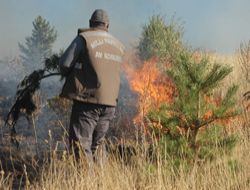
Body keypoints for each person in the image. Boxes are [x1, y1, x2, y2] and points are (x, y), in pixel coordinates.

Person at [59, 9, 125, 162]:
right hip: (109, 104)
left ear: (90, 23)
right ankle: (101, 182)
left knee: (81, 145)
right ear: (107, 25)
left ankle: (86, 183)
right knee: (98, 145)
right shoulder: (119, 45)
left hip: (88, 101)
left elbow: (64, 64)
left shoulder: (84, 38)